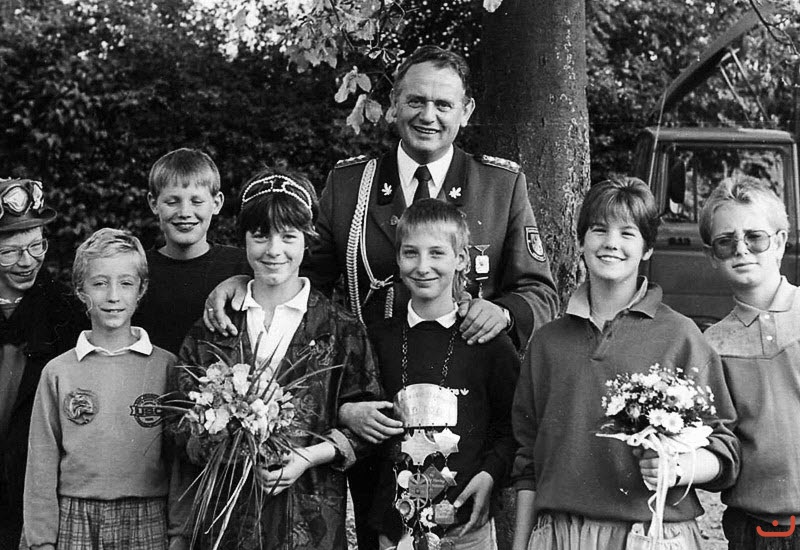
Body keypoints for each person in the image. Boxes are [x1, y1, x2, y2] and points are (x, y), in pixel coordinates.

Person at [204, 44, 560, 548]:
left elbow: (540, 292)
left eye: (443, 104)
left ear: (466, 111)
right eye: (416, 101)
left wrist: (502, 313)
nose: (428, 115)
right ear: (393, 105)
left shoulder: (499, 185)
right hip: (372, 408)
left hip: (465, 411)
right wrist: (243, 281)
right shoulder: (351, 183)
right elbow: (301, 273)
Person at [511, 177, 740, 550]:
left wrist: (680, 466)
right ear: (581, 240)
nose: (611, 243)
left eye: (627, 233)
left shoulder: (680, 336)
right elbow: (527, 461)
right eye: (599, 229)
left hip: (652, 534)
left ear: (647, 248)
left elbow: (724, 447)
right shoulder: (547, 344)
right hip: (562, 534)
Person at [169, 170, 382, 550]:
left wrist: (308, 456)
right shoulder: (214, 328)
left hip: (311, 523)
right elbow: (176, 423)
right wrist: (223, 437)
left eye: (288, 236)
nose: (273, 250)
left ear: (308, 239)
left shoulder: (340, 328)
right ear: (243, 239)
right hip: (227, 524)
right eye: (260, 235)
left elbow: (366, 427)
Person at [365, 199, 518, 549]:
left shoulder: (488, 343)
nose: (423, 267)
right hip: (395, 530)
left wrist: (491, 474)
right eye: (411, 253)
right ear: (397, 258)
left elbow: (515, 426)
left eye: (437, 253)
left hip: (465, 529)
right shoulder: (377, 339)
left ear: (461, 259)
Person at [23, 228, 176, 550]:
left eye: (126, 283)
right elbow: (41, 461)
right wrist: (41, 540)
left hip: (148, 516)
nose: (113, 296)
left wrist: (181, 532)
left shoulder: (166, 367)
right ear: (81, 290)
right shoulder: (58, 371)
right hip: (75, 517)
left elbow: (180, 461)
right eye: (100, 283)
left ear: (142, 289)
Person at [700, 177, 800, 548]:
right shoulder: (712, 345)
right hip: (755, 530)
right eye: (726, 242)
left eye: (755, 237)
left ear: (780, 242)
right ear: (712, 256)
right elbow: (719, 449)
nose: (741, 249)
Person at [0, 177, 84, 549]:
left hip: (36, 501)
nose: (27, 261)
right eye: (9, 252)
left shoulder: (67, 312)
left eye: (36, 246)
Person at [133, 148, 250, 354]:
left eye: (197, 201)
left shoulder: (241, 266)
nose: (185, 212)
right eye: (172, 202)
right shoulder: (137, 269)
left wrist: (245, 280)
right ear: (153, 203)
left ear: (216, 203)